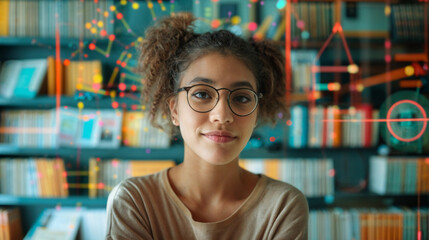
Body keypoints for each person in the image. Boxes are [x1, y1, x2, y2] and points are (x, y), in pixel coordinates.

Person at [106, 12, 308, 240]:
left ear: (257, 111)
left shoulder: (283, 206)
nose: (222, 115)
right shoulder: (134, 201)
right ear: (174, 109)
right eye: (202, 94)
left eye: (241, 98)